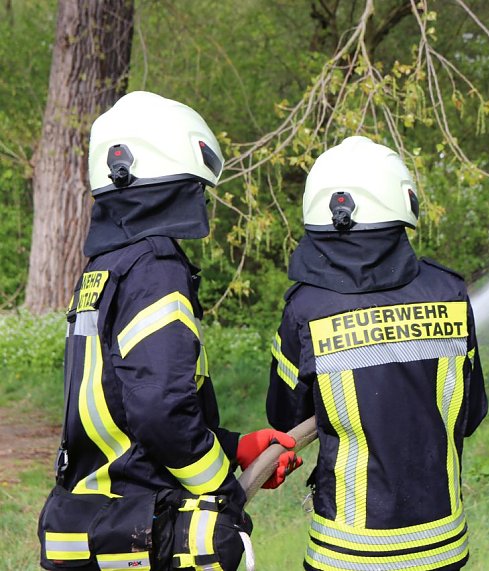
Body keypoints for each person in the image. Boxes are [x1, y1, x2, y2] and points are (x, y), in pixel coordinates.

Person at [37, 91, 300, 571]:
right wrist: (222, 485)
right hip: (145, 526)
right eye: (195, 187)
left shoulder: (107, 267)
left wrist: (236, 445)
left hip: (100, 520)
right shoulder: (155, 267)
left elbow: (123, 407)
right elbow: (159, 411)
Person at [267, 136, 488, 571]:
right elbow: (473, 413)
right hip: (440, 546)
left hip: (347, 552)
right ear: (401, 204)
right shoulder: (449, 293)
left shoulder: (306, 308)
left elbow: (284, 420)